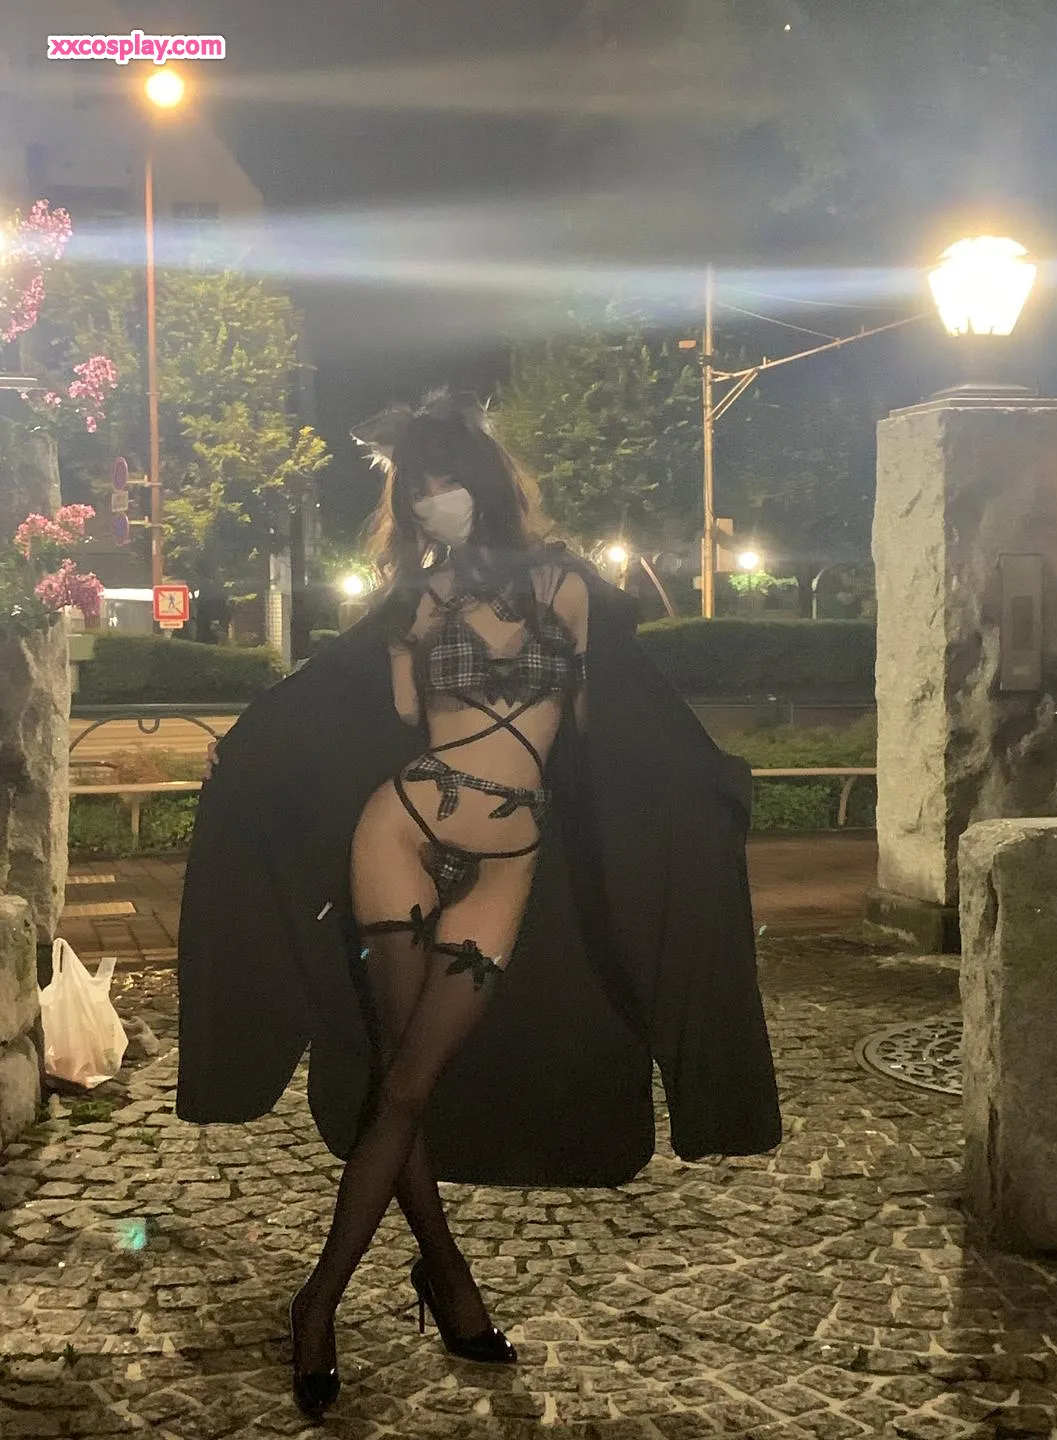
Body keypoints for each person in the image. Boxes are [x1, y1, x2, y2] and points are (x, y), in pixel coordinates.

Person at [177, 390, 781, 1421]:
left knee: (411, 1080)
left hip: (512, 853)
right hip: (403, 827)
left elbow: (623, 726)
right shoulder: (416, 602)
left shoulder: (569, 590)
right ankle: (332, 1305)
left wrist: (704, 785)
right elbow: (352, 705)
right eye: (415, 490)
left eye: (444, 481)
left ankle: (430, 1273)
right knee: (400, 1079)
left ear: (485, 482)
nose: (430, 502)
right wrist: (251, 755)